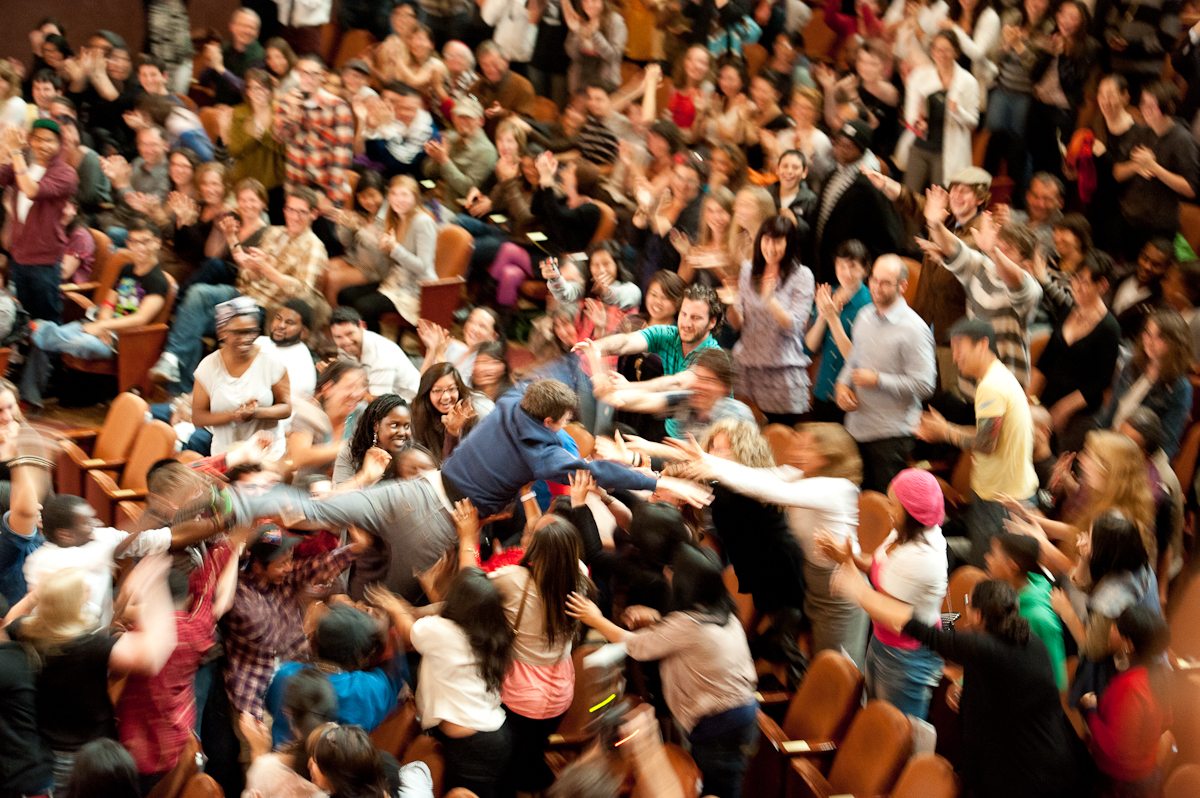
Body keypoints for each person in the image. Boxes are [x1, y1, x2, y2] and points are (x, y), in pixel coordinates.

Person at [833, 573, 1078, 798]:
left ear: (978, 615)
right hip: (1029, 753)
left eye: (968, 604)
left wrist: (860, 592)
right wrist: (967, 689)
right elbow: (1008, 684)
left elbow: (914, 627)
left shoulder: (985, 646)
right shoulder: (1027, 640)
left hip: (1024, 770)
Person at [567, 545, 757, 798]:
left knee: (718, 788)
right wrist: (657, 619)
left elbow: (636, 646)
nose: (667, 573)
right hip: (737, 713)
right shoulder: (722, 613)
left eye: (673, 571)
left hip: (718, 723)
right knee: (719, 782)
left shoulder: (689, 624)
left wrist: (594, 618)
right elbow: (687, 638)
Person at [8, 557, 178, 791]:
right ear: (74, 606)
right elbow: (153, 656)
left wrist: (36, 596)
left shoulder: (26, 631)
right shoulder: (92, 647)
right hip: (88, 756)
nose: (88, 590)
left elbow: (9, 620)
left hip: (44, 750)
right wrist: (155, 589)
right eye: (82, 591)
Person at [150, 186, 329, 394]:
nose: (294, 216)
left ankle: (179, 383)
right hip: (243, 295)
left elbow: (302, 292)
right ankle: (173, 364)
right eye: (290, 210)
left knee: (195, 320)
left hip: (266, 309)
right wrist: (251, 266)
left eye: (301, 212)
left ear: (313, 214)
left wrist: (267, 269)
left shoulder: (314, 247)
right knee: (199, 294)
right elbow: (248, 275)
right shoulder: (274, 232)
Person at [371, 568, 515, 798]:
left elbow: (410, 632)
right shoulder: (492, 631)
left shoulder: (443, 631)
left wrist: (394, 607)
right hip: (495, 734)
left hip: (471, 747)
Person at [819, 468, 948, 719]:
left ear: (910, 513)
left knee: (896, 726)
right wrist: (851, 558)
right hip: (883, 641)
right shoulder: (901, 531)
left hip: (907, 656)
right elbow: (880, 566)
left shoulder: (923, 556)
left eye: (892, 504)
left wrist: (850, 574)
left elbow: (894, 615)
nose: (887, 509)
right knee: (874, 714)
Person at [917, 319, 1038, 565]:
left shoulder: (991, 387)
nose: (955, 357)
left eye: (960, 348)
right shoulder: (997, 377)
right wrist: (947, 427)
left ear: (982, 345)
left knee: (985, 569)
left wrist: (944, 432)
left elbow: (986, 443)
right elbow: (987, 433)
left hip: (1001, 501)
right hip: (1004, 495)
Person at [19, 218, 169, 408]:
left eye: (144, 242)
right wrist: (102, 325)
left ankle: (34, 329)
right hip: (98, 327)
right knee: (53, 340)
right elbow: (109, 303)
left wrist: (104, 327)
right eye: (133, 241)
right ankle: (30, 398)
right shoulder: (127, 269)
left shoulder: (158, 281)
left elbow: (140, 318)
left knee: (76, 342)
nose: (139, 247)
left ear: (157, 243)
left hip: (121, 342)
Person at [835, 255, 937, 493]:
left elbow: (925, 385)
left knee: (884, 504)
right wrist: (842, 385)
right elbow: (854, 359)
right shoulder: (864, 315)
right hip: (856, 427)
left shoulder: (915, 329)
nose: (876, 287)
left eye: (885, 283)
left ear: (902, 286)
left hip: (890, 436)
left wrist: (879, 380)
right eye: (874, 280)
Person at [727, 215, 815, 426]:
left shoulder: (802, 275)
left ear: (789, 243)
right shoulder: (748, 270)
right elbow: (738, 323)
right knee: (744, 433)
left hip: (781, 370)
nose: (771, 247)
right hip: (747, 365)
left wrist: (770, 301)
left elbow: (795, 325)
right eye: (766, 240)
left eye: (777, 241)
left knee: (779, 435)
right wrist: (731, 304)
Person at [1080, 606, 1172, 797]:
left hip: (1121, 783)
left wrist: (1091, 711)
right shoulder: (1160, 674)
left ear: (1129, 644)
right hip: (1146, 774)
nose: (1111, 630)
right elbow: (1167, 721)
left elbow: (1114, 748)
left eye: (1116, 629)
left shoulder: (1130, 687)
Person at [1033, 253, 1121, 452]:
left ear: (1102, 286)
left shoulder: (1109, 328)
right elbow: (1046, 360)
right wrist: (1028, 398)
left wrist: (1064, 408)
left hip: (1078, 412)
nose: (1077, 287)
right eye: (1076, 279)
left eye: (1085, 283)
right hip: (1048, 398)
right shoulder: (1068, 311)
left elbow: (1100, 381)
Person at [0, 119, 78, 322]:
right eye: (38, 139)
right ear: (30, 140)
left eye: (49, 141)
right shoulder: (23, 164)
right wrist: (5, 147)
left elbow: (31, 190)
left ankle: (51, 345)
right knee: (25, 316)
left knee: (47, 318)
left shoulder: (66, 173)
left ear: (59, 144)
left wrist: (16, 153)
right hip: (19, 253)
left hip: (44, 259)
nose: (43, 145)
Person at [192, 298, 292, 456]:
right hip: (226, 455)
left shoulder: (271, 361)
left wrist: (256, 413)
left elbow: (286, 408)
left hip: (267, 455)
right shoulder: (208, 367)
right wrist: (233, 416)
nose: (246, 338)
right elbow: (198, 418)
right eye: (238, 332)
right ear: (222, 333)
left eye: (252, 331)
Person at [336, 175, 437, 332]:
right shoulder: (396, 218)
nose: (398, 199)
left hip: (416, 290)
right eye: (394, 194)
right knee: (345, 295)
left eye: (404, 194)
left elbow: (423, 267)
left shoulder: (422, 221)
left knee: (364, 307)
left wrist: (395, 249)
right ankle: (360, 338)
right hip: (395, 281)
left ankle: (375, 344)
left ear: (415, 197)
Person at [590, 346, 756, 441]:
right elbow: (645, 401)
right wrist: (609, 392)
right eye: (697, 377)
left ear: (725, 388)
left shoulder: (735, 415)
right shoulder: (689, 400)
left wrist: (646, 452)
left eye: (708, 380)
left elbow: (711, 464)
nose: (699, 385)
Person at [810, 119, 905, 285]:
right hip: (824, 263)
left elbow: (888, 236)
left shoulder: (870, 185)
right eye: (839, 143)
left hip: (850, 271)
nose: (840, 149)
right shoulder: (832, 175)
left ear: (861, 150)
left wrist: (867, 273)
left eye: (848, 146)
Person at [1097, 310, 1194, 459]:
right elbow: (1111, 413)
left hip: (1134, 458)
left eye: (1159, 337)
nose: (1149, 341)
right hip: (1109, 442)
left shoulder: (1180, 388)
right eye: (1148, 333)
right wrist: (1097, 439)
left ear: (1174, 343)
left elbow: (1168, 444)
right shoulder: (1132, 365)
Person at [983, 532, 1067, 690]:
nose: (987, 558)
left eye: (993, 555)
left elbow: (1057, 680)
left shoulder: (1039, 618)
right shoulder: (1002, 597)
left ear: (1012, 566)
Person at [897, 31, 980, 191]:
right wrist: (917, 123)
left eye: (947, 50)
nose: (941, 54)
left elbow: (973, 122)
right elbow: (910, 114)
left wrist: (957, 111)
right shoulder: (920, 76)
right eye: (937, 49)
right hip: (920, 147)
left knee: (941, 197)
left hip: (947, 153)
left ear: (956, 52)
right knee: (909, 197)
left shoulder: (968, 82)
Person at [273, 54, 355, 210]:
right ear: (297, 74)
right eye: (303, 73)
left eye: (314, 74)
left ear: (322, 76)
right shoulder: (288, 101)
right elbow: (279, 138)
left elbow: (342, 157)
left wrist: (331, 197)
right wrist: (290, 115)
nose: (308, 79)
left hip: (324, 188)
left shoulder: (338, 107)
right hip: (295, 184)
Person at [806, 239, 873, 423]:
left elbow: (857, 359)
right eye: (841, 266)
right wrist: (823, 315)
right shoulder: (829, 294)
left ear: (865, 269)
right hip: (823, 389)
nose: (846, 273)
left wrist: (833, 319)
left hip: (850, 395)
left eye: (853, 266)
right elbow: (810, 347)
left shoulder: (869, 305)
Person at [329, 306, 422, 402]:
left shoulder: (381, 354)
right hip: (376, 396)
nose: (346, 341)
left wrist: (343, 385)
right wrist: (332, 373)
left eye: (350, 334)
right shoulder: (345, 347)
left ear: (362, 326)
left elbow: (379, 403)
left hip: (408, 403)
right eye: (338, 337)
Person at [332, 394, 412, 488]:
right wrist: (365, 477)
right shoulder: (351, 451)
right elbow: (336, 495)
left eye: (406, 426)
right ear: (376, 425)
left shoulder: (413, 456)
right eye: (394, 425)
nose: (402, 432)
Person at [256, 299, 319, 399]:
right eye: (278, 318)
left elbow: (288, 402)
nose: (281, 325)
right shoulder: (261, 341)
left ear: (303, 332)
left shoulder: (302, 364)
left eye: (289, 322)